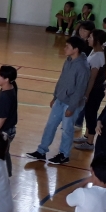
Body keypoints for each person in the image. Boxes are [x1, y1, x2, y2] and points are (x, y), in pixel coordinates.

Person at [27, 37, 90, 165]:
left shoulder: (83, 67)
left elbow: (80, 90)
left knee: (67, 130)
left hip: (71, 104)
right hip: (60, 100)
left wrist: (71, 107)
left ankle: (64, 155)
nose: (64, 48)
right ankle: (41, 151)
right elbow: (61, 80)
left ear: (76, 49)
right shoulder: (68, 61)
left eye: (67, 46)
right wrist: (55, 96)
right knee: (50, 125)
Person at [74, 29, 106, 152]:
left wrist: (87, 94)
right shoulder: (95, 52)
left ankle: (90, 142)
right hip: (94, 90)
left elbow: (92, 79)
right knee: (88, 113)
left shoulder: (98, 56)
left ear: (97, 41)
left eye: (91, 37)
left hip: (95, 91)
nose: (88, 39)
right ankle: (86, 137)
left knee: (91, 115)